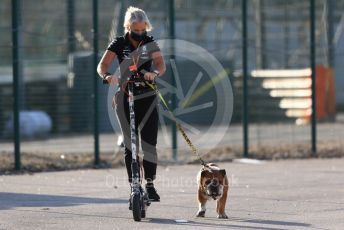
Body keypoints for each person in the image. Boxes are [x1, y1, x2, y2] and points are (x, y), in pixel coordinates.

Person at [97, 6, 166, 202]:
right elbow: (102, 65)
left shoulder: (150, 43)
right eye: (136, 29)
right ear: (128, 27)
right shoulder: (118, 43)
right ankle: (134, 186)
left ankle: (150, 185)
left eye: (143, 29)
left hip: (147, 96)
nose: (140, 33)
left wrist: (155, 73)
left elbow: (161, 65)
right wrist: (108, 76)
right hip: (126, 96)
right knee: (130, 145)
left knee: (150, 144)